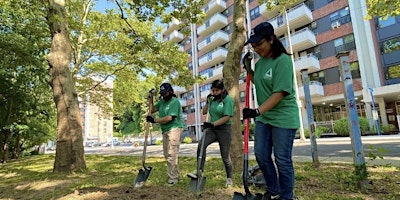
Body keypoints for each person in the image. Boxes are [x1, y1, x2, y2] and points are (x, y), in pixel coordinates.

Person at [242, 22, 300, 200]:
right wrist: (249, 68)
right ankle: (273, 191)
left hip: (283, 117)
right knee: (261, 154)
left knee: (282, 160)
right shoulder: (260, 63)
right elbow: (258, 81)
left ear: (271, 40)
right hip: (265, 118)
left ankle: (286, 196)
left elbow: (279, 93)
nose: (256, 48)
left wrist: (256, 111)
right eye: (254, 45)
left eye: (259, 44)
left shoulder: (283, 61)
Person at [187, 79, 234, 187]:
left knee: (225, 156)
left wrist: (213, 124)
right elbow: (204, 112)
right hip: (212, 129)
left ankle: (229, 178)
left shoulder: (228, 100)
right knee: (201, 145)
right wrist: (207, 102)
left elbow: (227, 117)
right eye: (212, 90)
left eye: (216, 90)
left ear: (222, 90)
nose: (214, 92)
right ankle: (199, 171)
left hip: (224, 129)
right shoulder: (212, 99)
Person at [146, 82, 184, 185]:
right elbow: (152, 109)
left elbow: (169, 118)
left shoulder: (174, 102)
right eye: (162, 94)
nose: (164, 96)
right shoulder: (162, 102)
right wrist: (151, 98)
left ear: (171, 92)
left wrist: (154, 120)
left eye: (166, 93)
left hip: (174, 128)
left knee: (172, 154)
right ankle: (177, 176)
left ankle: (173, 178)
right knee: (167, 154)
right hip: (165, 130)